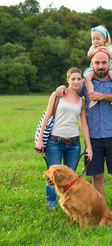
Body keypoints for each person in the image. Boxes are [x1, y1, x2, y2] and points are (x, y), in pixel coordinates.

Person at [56, 51, 112, 212]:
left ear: (108, 64)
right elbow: (71, 90)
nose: (100, 66)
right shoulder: (86, 82)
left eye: (104, 63)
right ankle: (101, 210)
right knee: (96, 176)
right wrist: (62, 87)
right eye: (97, 63)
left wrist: (103, 96)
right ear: (92, 64)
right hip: (93, 139)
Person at [35, 67, 92, 207]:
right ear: (68, 80)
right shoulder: (57, 95)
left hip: (74, 144)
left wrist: (88, 146)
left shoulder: (81, 101)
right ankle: (51, 205)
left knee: (70, 178)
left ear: (82, 81)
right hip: (54, 143)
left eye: (79, 79)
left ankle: (68, 204)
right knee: (52, 178)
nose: (76, 81)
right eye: (73, 79)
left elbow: (84, 125)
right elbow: (46, 117)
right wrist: (40, 140)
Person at [84, 25, 112, 110]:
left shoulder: (108, 47)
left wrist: (106, 49)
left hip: (109, 67)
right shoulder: (93, 47)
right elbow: (89, 54)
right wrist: (96, 50)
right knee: (87, 77)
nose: (95, 41)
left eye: (98, 39)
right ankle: (92, 98)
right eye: (93, 39)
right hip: (94, 67)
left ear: (104, 39)